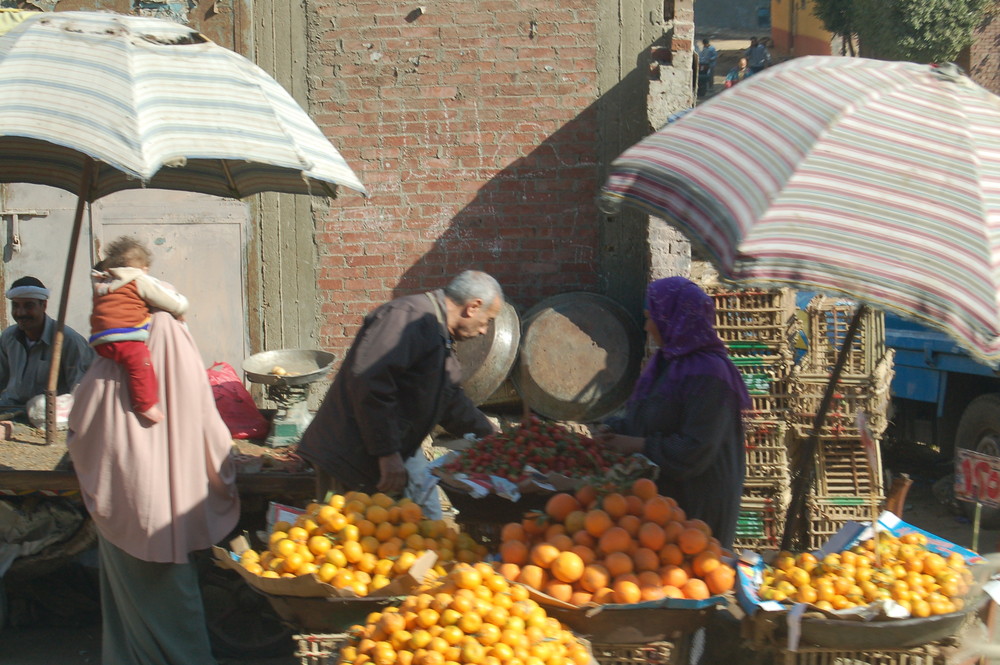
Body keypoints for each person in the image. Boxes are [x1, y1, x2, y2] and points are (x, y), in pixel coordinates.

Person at [68, 305, 240, 665]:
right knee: (176, 603)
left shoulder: (111, 356)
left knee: (128, 607)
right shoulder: (178, 347)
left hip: (122, 501)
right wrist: (222, 474)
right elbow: (211, 431)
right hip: (171, 508)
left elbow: (80, 426)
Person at [297, 270, 503, 515]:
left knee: (420, 528)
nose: (483, 331)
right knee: (347, 537)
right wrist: (387, 452)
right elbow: (371, 382)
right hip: (349, 456)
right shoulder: (407, 317)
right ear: (473, 307)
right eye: (488, 320)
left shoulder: (438, 334)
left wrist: (490, 434)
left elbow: (450, 400)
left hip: (394, 449)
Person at [593, 277, 750, 549]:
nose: (646, 326)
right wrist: (614, 429)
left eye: (650, 317)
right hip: (666, 498)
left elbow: (696, 448)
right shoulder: (667, 363)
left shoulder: (710, 374)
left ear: (674, 318)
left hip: (700, 497)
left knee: (693, 574)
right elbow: (648, 417)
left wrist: (635, 444)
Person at [90, 236, 189, 425]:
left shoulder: (104, 283)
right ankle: (144, 404)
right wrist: (180, 309)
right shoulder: (139, 281)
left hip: (100, 341)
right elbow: (167, 301)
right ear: (142, 268)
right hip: (125, 338)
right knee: (140, 364)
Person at [0, 276, 94, 408]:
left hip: (48, 417)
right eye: (15, 306)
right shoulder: (8, 337)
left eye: (29, 306)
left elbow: (80, 391)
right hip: (9, 408)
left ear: (44, 305)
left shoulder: (68, 341)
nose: (20, 313)